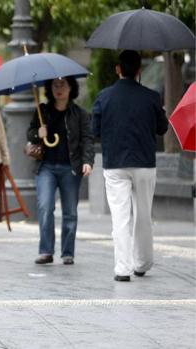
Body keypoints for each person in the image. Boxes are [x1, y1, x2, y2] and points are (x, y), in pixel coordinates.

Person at [92, 50, 168, 282]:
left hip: (115, 163)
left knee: (120, 217)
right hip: (145, 163)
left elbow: (95, 132)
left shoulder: (104, 97)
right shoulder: (152, 96)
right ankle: (142, 263)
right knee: (143, 215)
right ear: (139, 70)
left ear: (118, 69)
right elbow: (162, 128)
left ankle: (122, 268)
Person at [27, 77, 94, 265]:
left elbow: (87, 139)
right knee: (45, 207)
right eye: (55, 85)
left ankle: (67, 253)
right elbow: (30, 133)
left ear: (71, 87)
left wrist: (88, 161)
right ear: (50, 88)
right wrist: (37, 133)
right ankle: (46, 251)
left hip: (70, 168)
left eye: (63, 85)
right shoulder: (43, 111)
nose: (59, 89)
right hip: (46, 167)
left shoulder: (79, 113)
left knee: (70, 211)